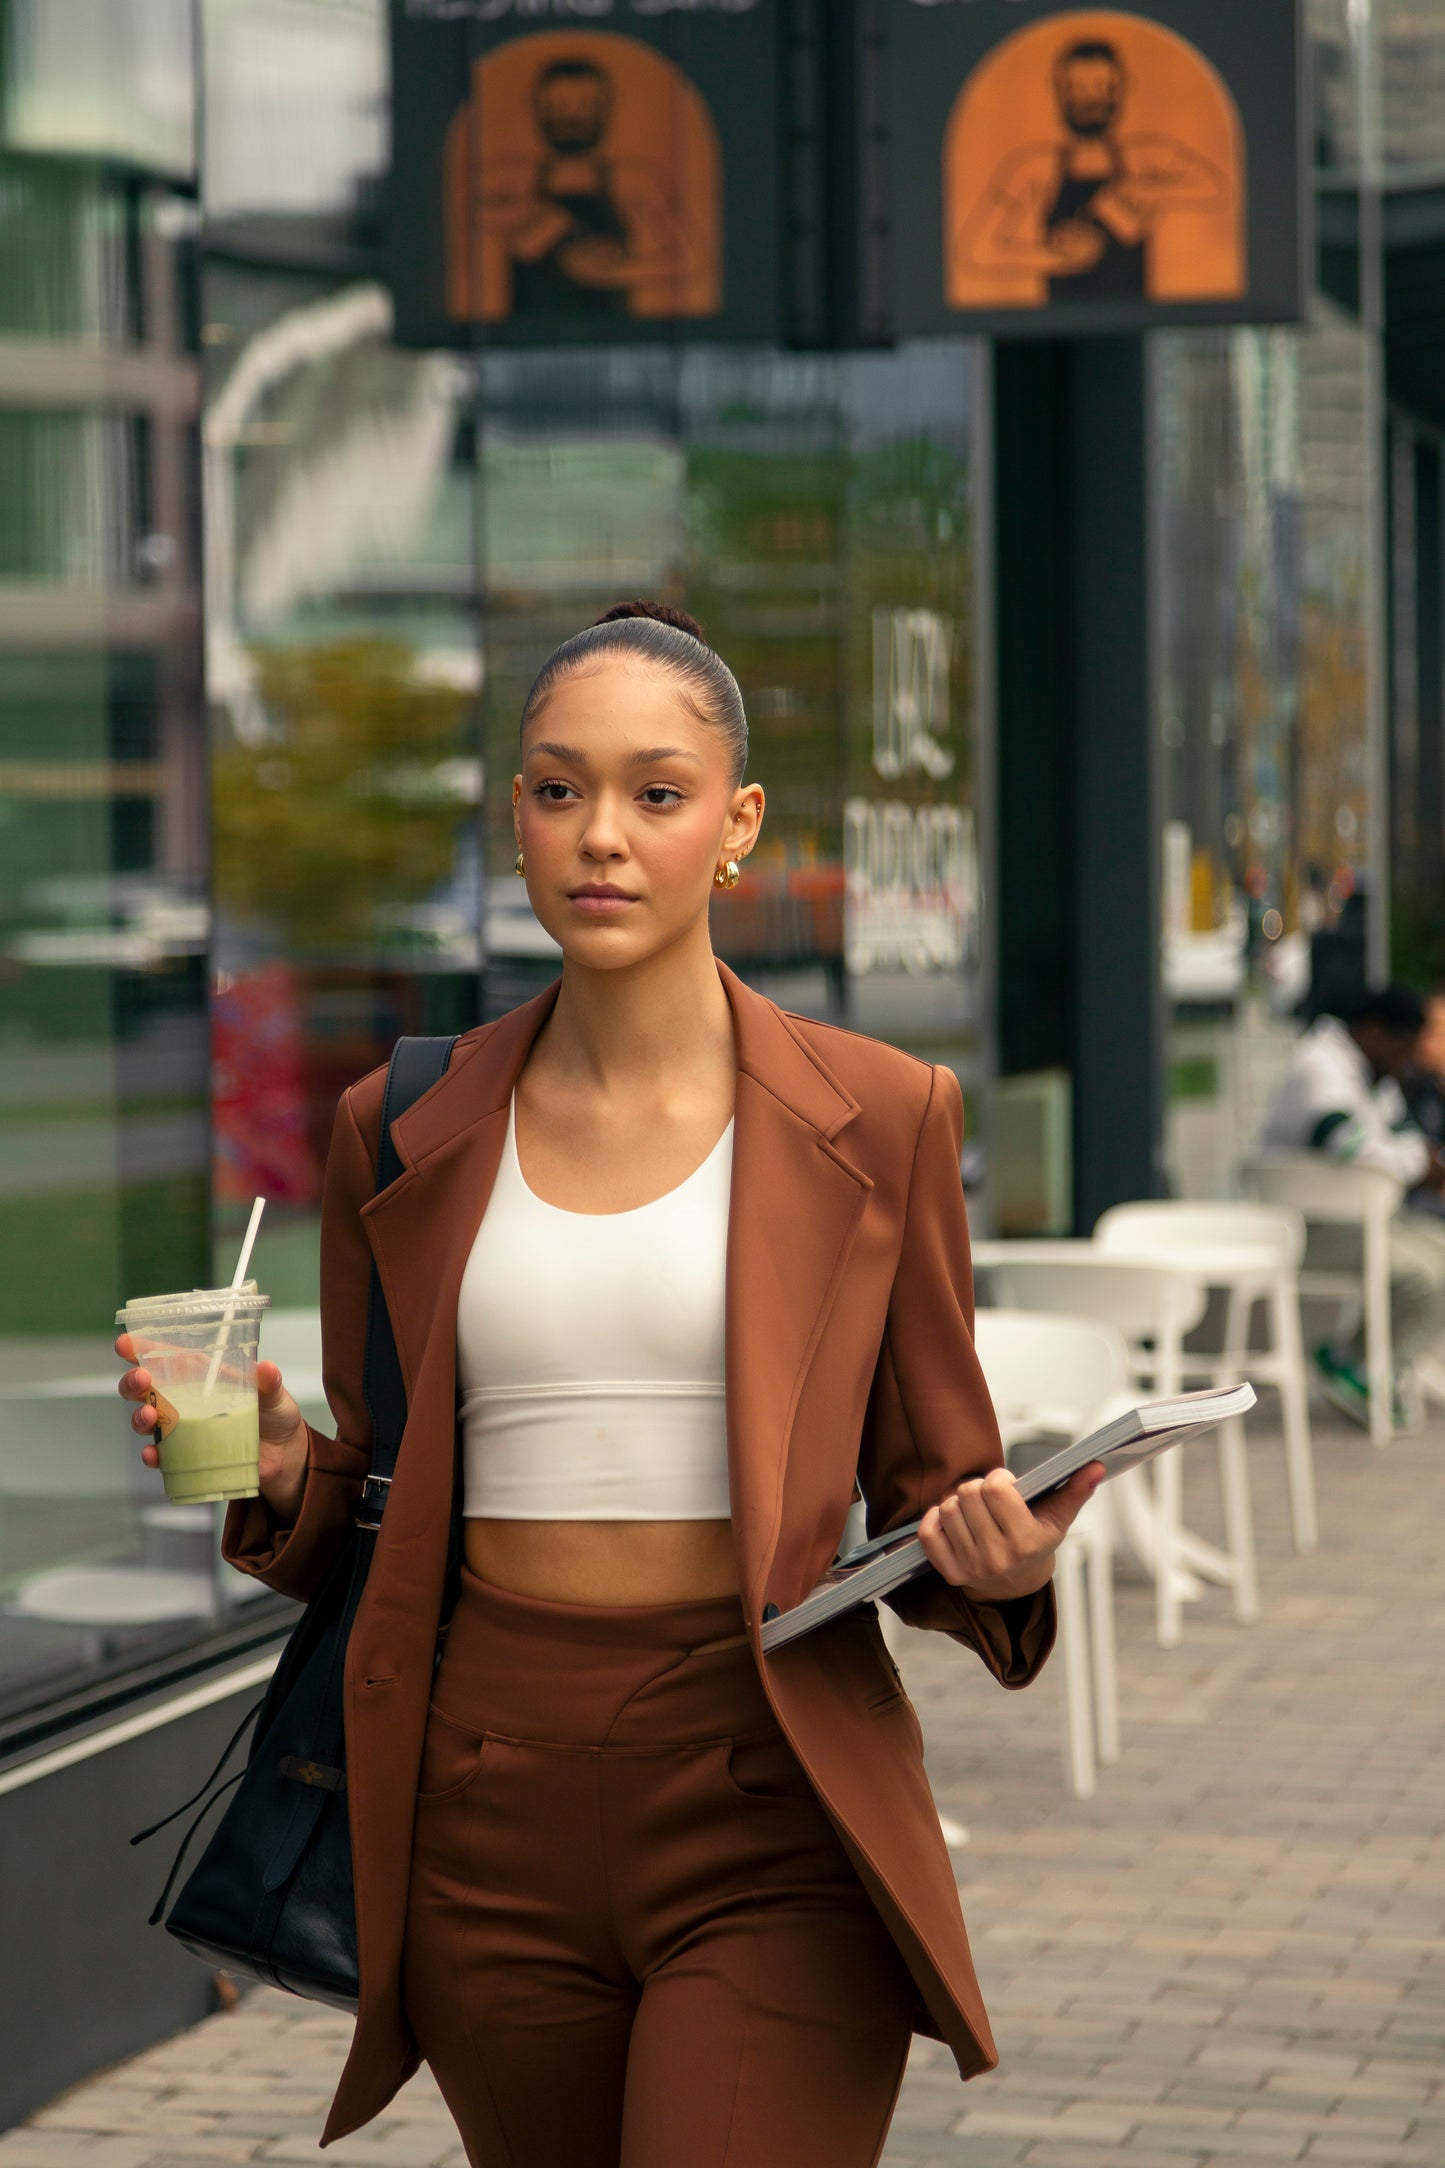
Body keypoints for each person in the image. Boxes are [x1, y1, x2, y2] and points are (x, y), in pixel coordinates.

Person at [118, 602, 1099, 2168]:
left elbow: (930, 1480)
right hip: (479, 1794)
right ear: (516, 815)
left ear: (736, 824)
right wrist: (282, 1459)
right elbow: (380, 1511)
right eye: (558, 789)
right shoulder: (406, 1121)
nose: (601, 837)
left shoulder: (879, 1113)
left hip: (767, 1782)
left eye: (657, 792)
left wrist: (1004, 1561)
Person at [1257, 985, 1445, 1424]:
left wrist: (1421, 1157)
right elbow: (1349, 1148)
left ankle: (1363, 1363)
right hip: (1304, 1230)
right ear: (1374, 1031)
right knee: (1420, 1276)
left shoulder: (1372, 1075)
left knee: (1440, 1252)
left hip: (1355, 1221)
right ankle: (1362, 1367)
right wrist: (1422, 1162)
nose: (1407, 1060)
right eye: (1403, 1047)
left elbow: (1402, 1139)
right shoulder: (1319, 1067)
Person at [957, 36, 1229, 302]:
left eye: (1102, 87)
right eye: (1079, 88)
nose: (1091, 99)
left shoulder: (1147, 154)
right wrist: (1054, 256)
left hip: (1137, 317)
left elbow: (1217, 188)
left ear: (1121, 87)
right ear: (1060, 90)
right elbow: (975, 250)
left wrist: (1148, 191)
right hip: (1055, 326)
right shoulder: (1032, 166)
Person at [481, 57, 694, 320]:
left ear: (605, 108)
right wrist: (540, 223)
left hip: (613, 338)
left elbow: (685, 259)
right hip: (527, 337)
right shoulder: (510, 178)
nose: (571, 116)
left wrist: (612, 272)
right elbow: (466, 215)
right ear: (538, 108)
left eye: (585, 105)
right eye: (558, 106)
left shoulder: (634, 179)